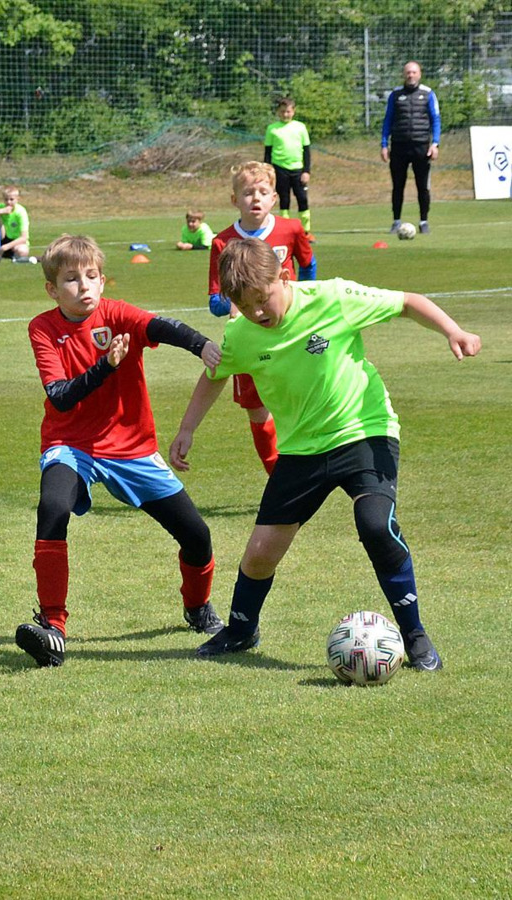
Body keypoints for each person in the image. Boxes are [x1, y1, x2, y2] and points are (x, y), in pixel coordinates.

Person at [169, 238, 481, 667]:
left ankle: (415, 636)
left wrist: (453, 331)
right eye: (245, 305)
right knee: (260, 553)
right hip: (302, 450)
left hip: (364, 432)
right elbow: (216, 373)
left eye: (263, 299)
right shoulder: (241, 334)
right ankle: (241, 630)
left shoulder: (334, 297)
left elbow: (407, 302)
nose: (257, 312)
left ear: (285, 276)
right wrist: (187, 428)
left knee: (375, 525)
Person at [14, 234, 226, 668]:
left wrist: (201, 345)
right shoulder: (43, 328)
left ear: (102, 280)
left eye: (91, 276)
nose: (84, 286)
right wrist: (105, 367)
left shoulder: (117, 314)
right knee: (52, 507)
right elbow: (60, 397)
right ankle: (53, 627)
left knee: (196, 536)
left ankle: (198, 607)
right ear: (52, 289)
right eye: (71, 279)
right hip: (69, 443)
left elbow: (161, 326)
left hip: (131, 447)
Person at [207, 161, 316, 475]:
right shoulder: (222, 242)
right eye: (247, 193)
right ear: (234, 199)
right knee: (257, 409)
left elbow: (309, 266)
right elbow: (215, 300)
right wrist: (233, 302)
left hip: (292, 331)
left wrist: (306, 298)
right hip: (249, 335)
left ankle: (311, 462)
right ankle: (277, 475)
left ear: (274, 198)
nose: (255, 198)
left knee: (303, 399)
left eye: (263, 192)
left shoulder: (291, 229)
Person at [382, 61, 441, 234]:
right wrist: (384, 144)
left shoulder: (428, 94)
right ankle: (396, 221)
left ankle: (424, 221)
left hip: (421, 146)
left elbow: (436, 119)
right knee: (397, 186)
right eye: (408, 72)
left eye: (414, 72)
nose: (411, 75)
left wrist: (435, 143)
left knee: (422, 186)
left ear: (419, 74)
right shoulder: (395, 95)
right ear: (404, 74)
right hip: (399, 146)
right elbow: (388, 120)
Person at [263, 97, 312, 236]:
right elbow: (268, 153)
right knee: (284, 199)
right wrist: (268, 171)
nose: (285, 114)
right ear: (278, 112)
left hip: (298, 170)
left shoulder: (300, 127)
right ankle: (286, 231)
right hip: (280, 169)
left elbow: (306, 151)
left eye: (288, 111)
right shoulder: (272, 129)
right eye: (282, 111)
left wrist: (306, 171)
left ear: (293, 112)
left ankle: (306, 231)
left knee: (302, 198)